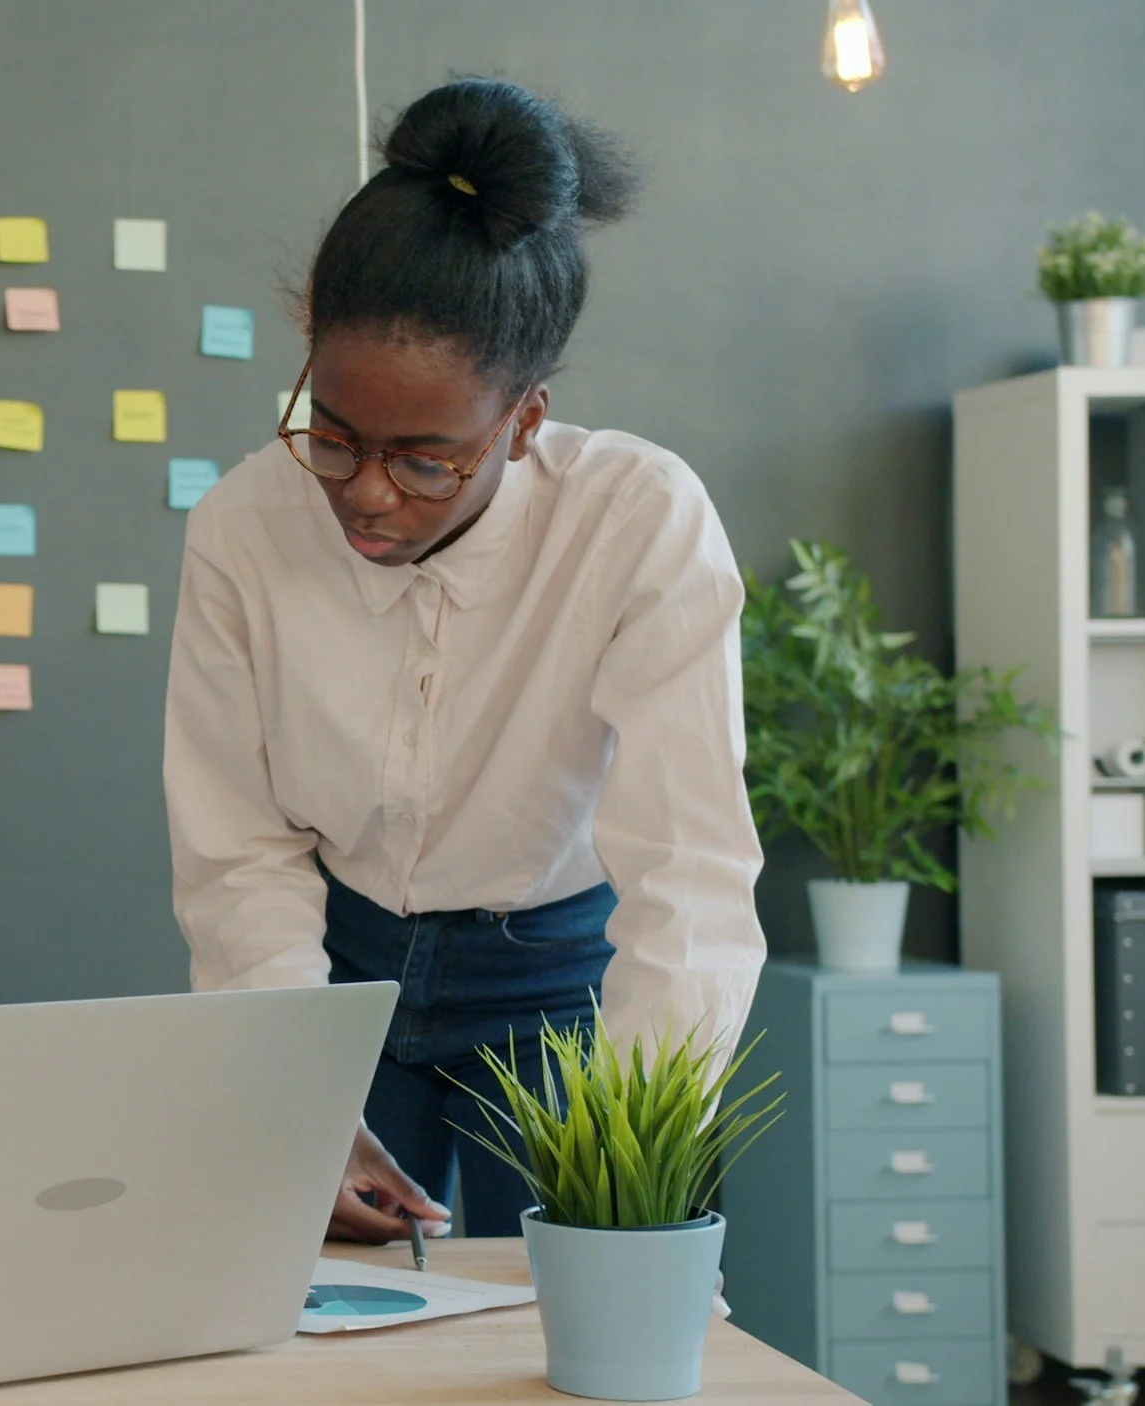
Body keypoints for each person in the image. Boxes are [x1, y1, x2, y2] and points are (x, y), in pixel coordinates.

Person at [164, 79, 766, 1242]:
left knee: (578, 1313)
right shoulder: (243, 523)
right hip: (335, 982)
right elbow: (238, 849)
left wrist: (636, 1135)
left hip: (564, 990)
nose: (368, 494)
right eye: (332, 437)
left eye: (427, 459)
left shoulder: (637, 521)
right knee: (302, 1302)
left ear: (526, 420)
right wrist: (287, 1094)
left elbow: (686, 872)